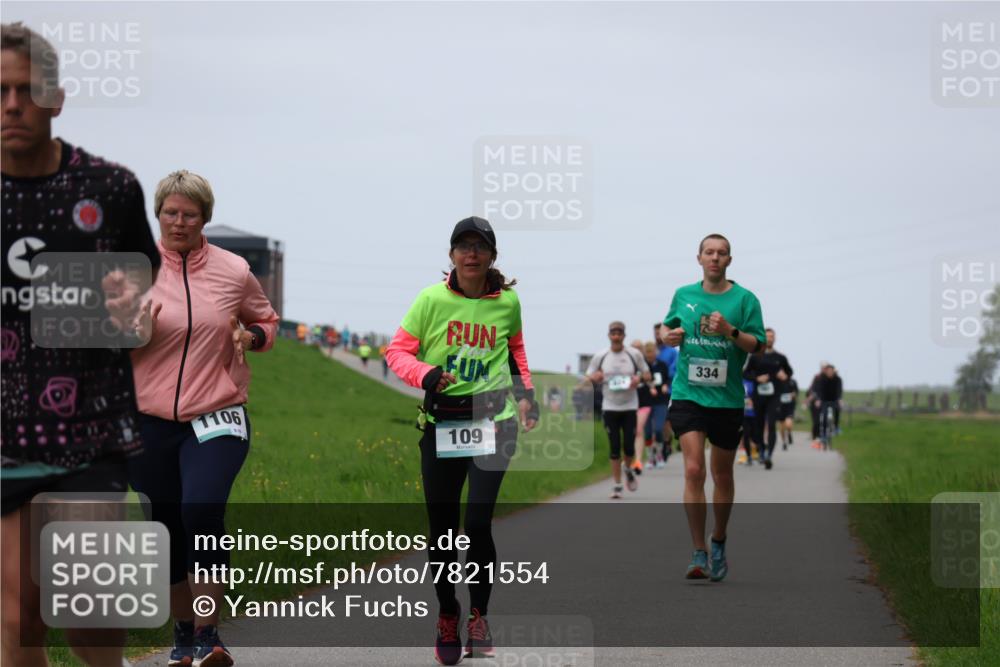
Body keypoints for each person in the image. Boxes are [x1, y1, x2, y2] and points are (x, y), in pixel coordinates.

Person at [1, 22, 162, 667]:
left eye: (26, 90)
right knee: (16, 620)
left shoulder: (111, 189)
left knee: (90, 613)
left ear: (57, 97)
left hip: (91, 432)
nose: (12, 105)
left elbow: (148, 316)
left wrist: (133, 310)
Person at [128, 170, 279, 667]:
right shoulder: (133, 268)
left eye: (188, 214)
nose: (178, 222)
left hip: (217, 413)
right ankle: (183, 634)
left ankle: (210, 636)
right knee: (168, 526)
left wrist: (251, 338)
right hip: (148, 420)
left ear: (204, 218)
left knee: (202, 511)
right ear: (158, 215)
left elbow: (265, 319)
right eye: (170, 213)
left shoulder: (234, 270)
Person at [385, 216, 539, 665]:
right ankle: (448, 613)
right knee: (443, 530)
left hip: (494, 421)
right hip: (442, 423)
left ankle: (480, 616)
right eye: (462, 246)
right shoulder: (430, 299)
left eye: (480, 246)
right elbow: (397, 351)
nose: (471, 253)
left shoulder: (507, 302)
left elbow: (515, 352)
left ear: (492, 255)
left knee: (477, 524)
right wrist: (427, 374)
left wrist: (527, 397)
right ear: (451, 254)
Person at [660, 233, 765, 581]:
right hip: (689, 394)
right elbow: (668, 327)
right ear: (699, 258)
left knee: (722, 474)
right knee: (693, 470)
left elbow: (757, 346)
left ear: (729, 261)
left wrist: (730, 331)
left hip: (727, 399)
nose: (715, 258)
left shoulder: (745, 299)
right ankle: (697, 551)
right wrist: (666, 335)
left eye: (721, 253)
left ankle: (718, 538)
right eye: (709, 252)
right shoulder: (684, 295)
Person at [586, 322, 651, 499]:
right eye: (613, 333)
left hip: (630, 406)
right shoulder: (601, 356)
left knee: (629, 447)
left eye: (619, 333)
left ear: (624, 335)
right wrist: (595, 377)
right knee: (614, 447)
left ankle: (627, 468)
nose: (616, 336)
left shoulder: (633, 354)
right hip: (610, 406)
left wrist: (638, 379)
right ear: (609, 335)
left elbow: (647, 374)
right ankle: (617, 485)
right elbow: (589, 376)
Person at [742, 328, 793, 470]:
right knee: (758, 427)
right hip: (758, 396)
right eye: (767, 336)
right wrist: (757, 378)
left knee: (771, 425)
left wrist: (785, 376)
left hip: (774, 396)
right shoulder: (755, 356)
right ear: (764, 338)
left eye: (772, 337)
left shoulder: (780, 358)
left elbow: (789, 372)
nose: (770, 339)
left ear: (775, 339)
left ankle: (769, 455)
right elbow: (746, 373)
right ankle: (762, 450)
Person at [641, 341, 671, 468]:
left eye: (652, 353)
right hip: (646, 402)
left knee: (658, 429)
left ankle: (659, 454)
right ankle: (650, 457)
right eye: (647, 355)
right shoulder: (642, 367)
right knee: (647, 432)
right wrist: (649, 387)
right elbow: (641, 381)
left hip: (660, 401)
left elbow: (668, 378)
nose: (650, 356)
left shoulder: (662, 365)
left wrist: (665, 385)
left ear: (655, 353)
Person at [653, 322, 679, 451]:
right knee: (658, 420)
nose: (658, 336)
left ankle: (667, 442)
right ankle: (662, 442)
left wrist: (666, 381)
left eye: (659, 333)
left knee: (667, 419)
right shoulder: (653, 351)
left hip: (668, 388)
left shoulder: (672, 352)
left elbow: (675, 370)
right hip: (654, 389)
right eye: (656, 333)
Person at [811, 364, 843, 449]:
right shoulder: (822, 379)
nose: (829, 372)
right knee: (824, 416)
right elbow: (819, 390)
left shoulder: (838, 379)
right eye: (828, 371)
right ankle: (824, 434)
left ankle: (836, 426)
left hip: (834, 400)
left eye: (831, 371)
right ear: (826, 372)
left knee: (837, 409)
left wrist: (839, 399)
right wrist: (818, 400)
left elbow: (839, 390)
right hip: (824, 401)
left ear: (833, 371)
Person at [778, 376, 799, 449]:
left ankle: (789, 433)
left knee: (788, 424)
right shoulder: (777, 381)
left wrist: (793, 395)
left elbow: (796, 393)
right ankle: (784, 442)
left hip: (790, 406)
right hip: (780, 407)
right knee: (781, 427)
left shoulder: (792, 381)